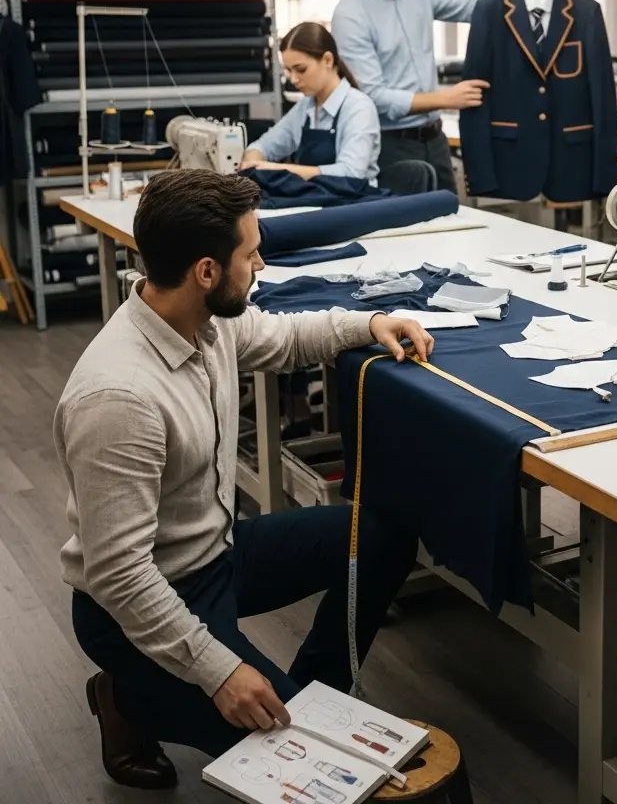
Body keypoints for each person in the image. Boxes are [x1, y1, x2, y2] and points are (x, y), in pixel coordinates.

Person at [58, 170, 432, 788]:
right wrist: (221, 672)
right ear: (206, 270)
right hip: (138, 604)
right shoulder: (117, 396)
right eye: (251, 253)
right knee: (307, 768)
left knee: (381, 536)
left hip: (216, 557)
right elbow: (119, 575)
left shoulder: (203, 320)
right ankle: (127, 698)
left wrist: (369, 324)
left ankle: (314, 700)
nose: (260, 264)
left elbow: (282, 336)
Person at [332, 0, 547, 194]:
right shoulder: (351, 14)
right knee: (405, 235)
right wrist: (445, 98)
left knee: (451, 224)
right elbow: (374, 96)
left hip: (435, 142)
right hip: (389, 146)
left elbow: (473, 8)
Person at [242, 22, 381, 183]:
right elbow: (263, 145)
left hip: (355, 204)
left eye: (300, 69)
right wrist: (253, 163)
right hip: (317, 200)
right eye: (288, 71)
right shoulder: (305, 107)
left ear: (327, 60)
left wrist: (279, 170)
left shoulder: (359, 108)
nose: (293, 79)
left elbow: (350, 173)